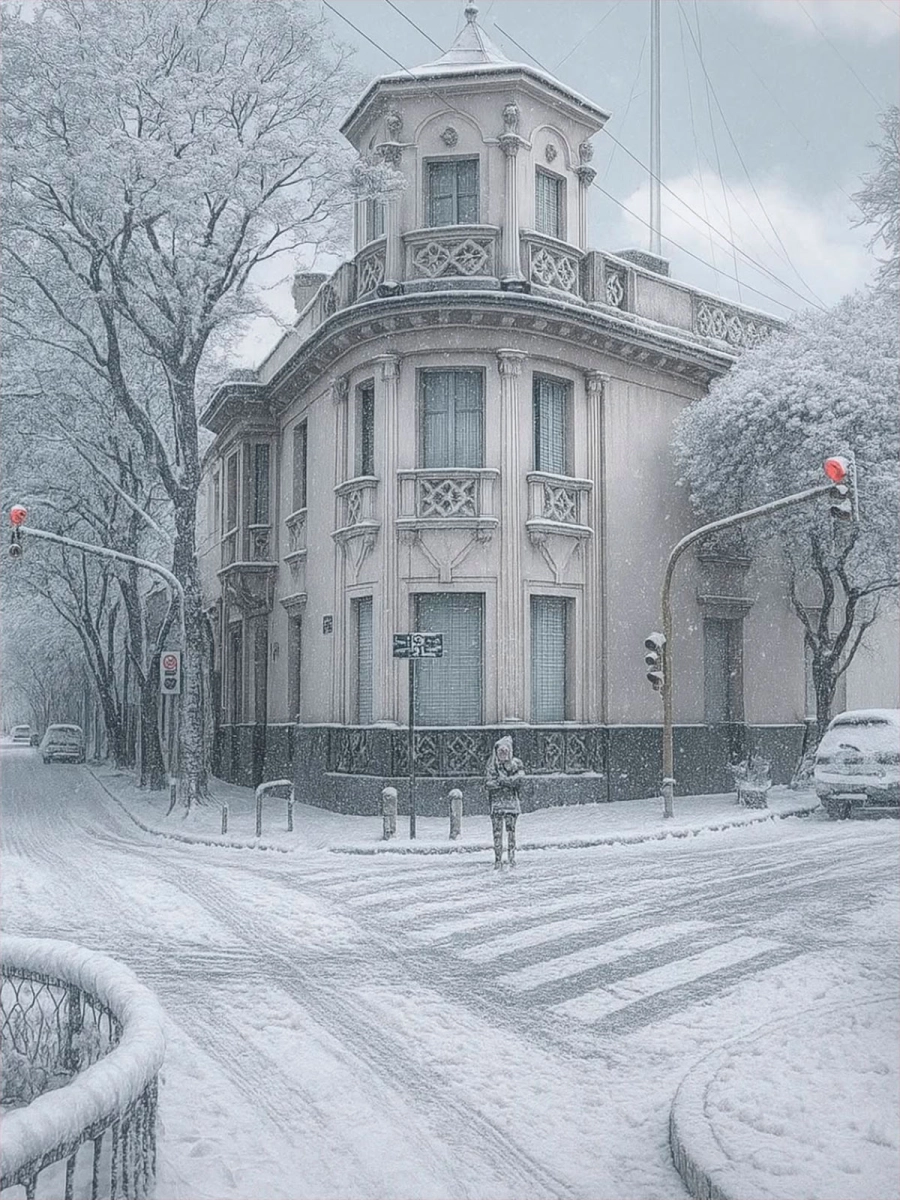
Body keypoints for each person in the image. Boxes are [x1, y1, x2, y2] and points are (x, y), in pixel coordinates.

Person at [485, 735, 525, 869]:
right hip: (497, 804)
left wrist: (502, 781)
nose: (503, 754)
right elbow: (489, 784)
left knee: (511, 831)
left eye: (505, 751)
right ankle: (498, 858)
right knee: (497, 833)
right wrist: (507, 782)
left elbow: (519, 781)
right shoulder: (492, 765)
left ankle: (511, 857)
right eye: (500, 751)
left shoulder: (516, 764)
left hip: (512, 805)